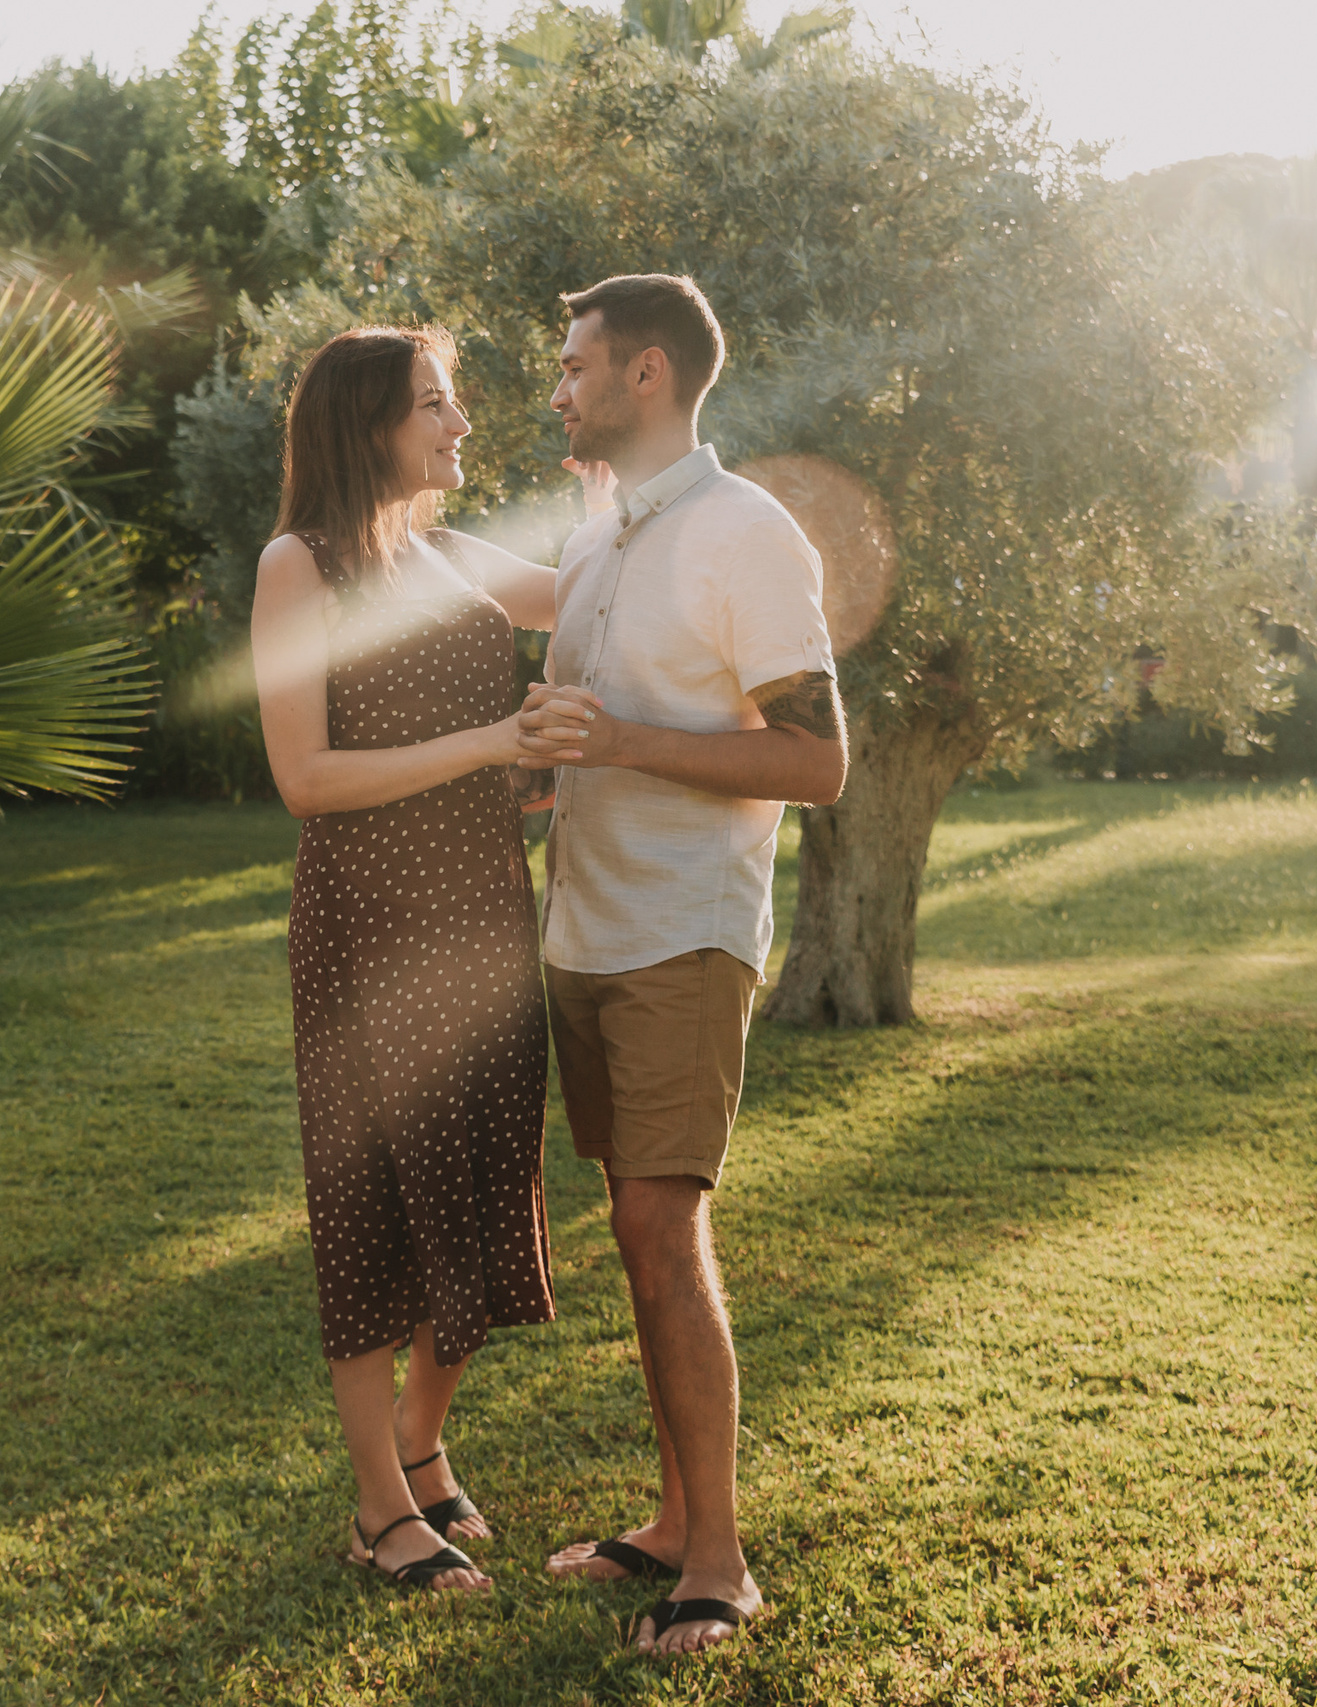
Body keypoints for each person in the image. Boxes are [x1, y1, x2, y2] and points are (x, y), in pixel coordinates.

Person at [517, 275, 849, 1656]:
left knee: (664, 1229)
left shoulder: (745, 531)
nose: (559, 389)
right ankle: (667, 1516)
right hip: (586, 931)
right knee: (638, 1228)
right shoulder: (602, 543)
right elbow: (580, 735)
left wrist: (618, 744)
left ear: (646, 374)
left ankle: (716, 1558)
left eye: (576, 364)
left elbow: (818, 760)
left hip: (684, 933)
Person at [251, 325, 605, 1595]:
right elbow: (305, 778)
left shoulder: (450, 555)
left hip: (479, 920)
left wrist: (621, 513)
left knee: (482, 1175)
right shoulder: (302, 568)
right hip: (369, 931)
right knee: (375, 1207)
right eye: (435, 405)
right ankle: (376, 1509)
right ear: (369, 425)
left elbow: (589, 603)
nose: (460, 425)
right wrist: (484, 743)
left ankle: (422, 1445)